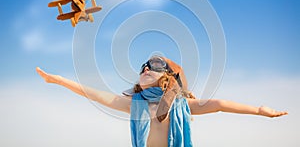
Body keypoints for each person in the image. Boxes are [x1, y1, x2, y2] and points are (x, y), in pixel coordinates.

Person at [36, 56, 287, 147]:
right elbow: (95, 94)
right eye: (143, 67)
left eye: (154, 66)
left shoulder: (180, 105)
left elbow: (219, 104)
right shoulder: (135, 103)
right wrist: (59, 81)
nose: (146, 68)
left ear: (168, 77)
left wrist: (259, 110)